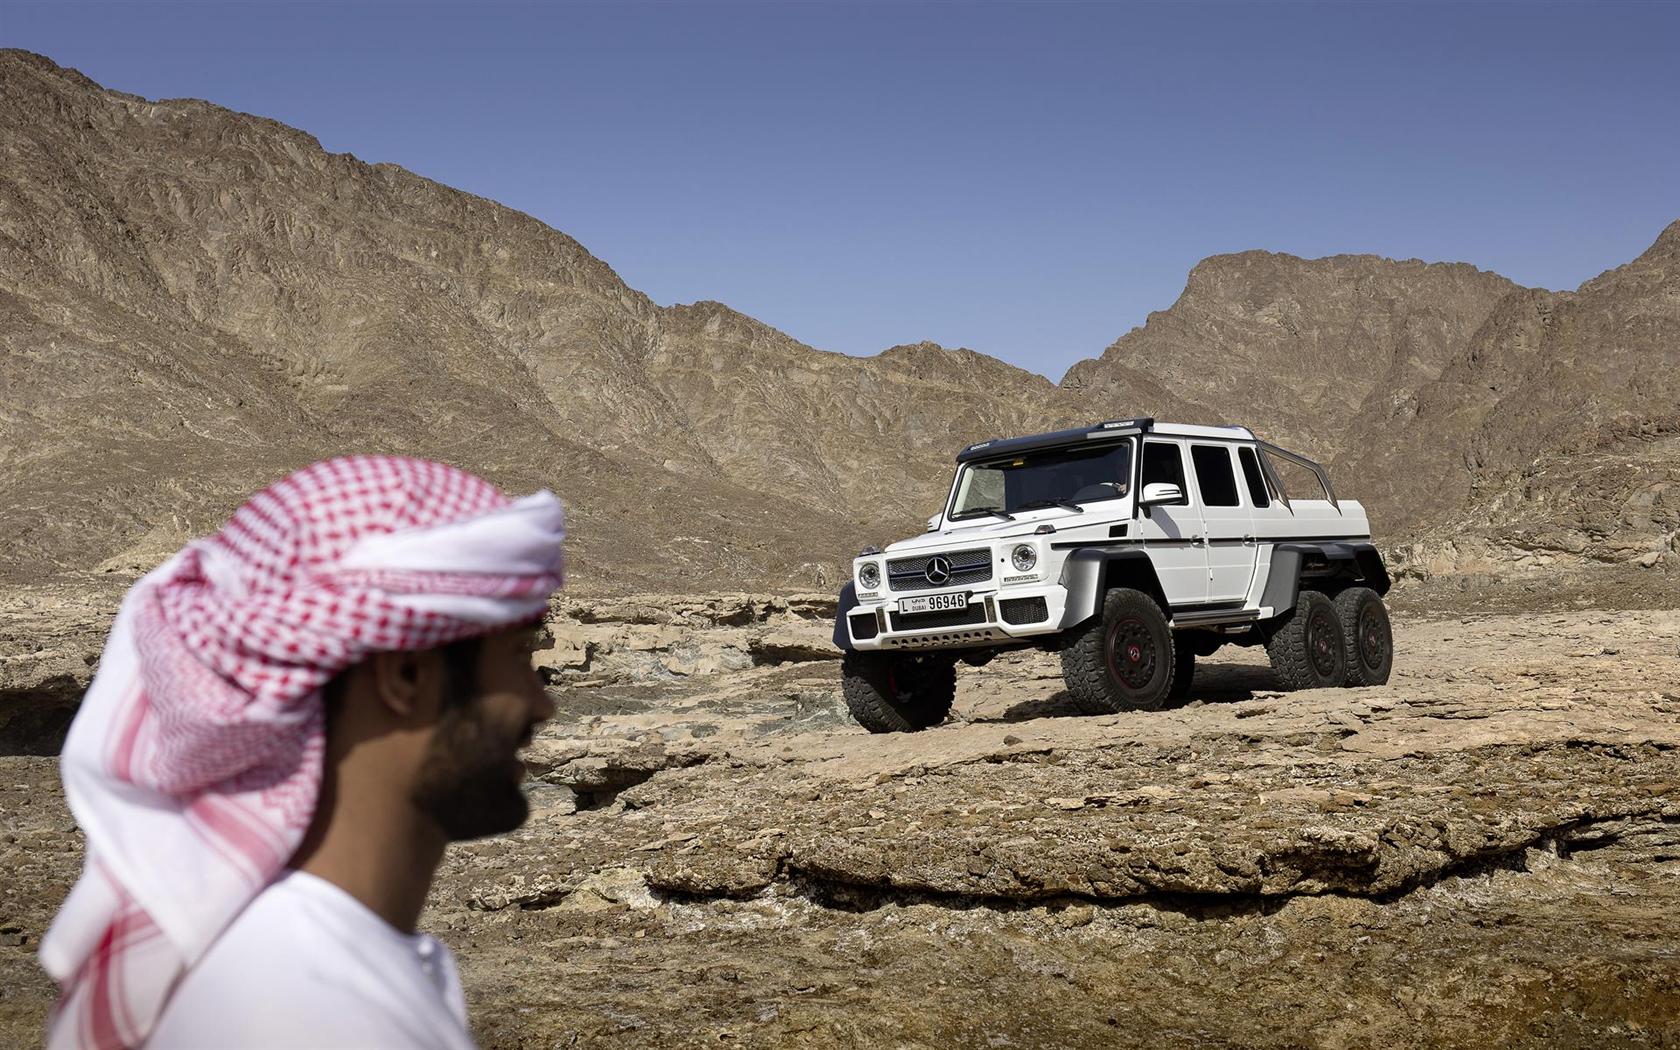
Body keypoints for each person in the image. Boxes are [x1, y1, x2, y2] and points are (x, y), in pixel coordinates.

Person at [40, 456, 566, 1050]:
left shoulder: (301, 957)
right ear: (408, 676)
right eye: (520, 658)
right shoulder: (314, 1015)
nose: (541, 704)